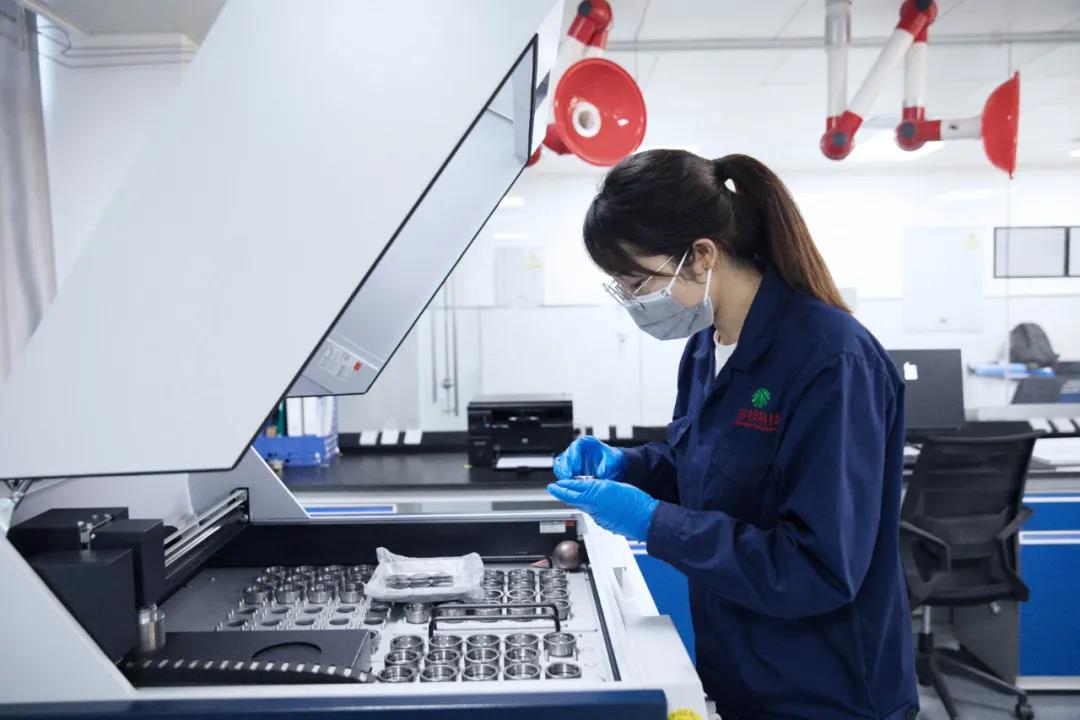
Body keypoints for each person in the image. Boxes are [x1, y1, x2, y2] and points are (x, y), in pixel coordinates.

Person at [548, 150, 918, 720]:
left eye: (638, 281)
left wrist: (653, 522)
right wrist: (629, 467)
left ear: (702, 255)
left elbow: (816, 567)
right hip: (743, 670)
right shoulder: (708, 344)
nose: (636, 302)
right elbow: (708, 468)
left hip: (827, 689)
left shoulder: (832, 361)